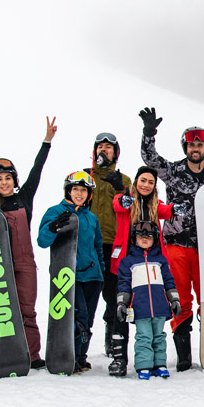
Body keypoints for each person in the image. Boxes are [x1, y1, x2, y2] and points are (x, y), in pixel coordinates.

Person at [139, 107, 204, 371]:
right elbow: (150, 159)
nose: (195, 148)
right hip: (177, 243)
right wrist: (148, 133)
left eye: (199, 144)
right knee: (181, 298)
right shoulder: (174, 171)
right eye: (191, 144)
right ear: (185, 148)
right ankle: (184, 356)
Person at [0, 116, 57, 370]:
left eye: (8, 178)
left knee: (26, 310)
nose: (4, 183)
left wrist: (47, 141)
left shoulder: (24, 198)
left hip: (25, 263)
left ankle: (32, 355)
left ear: (14, 180)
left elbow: (36, 170)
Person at [108, 166, 173, 376]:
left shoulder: (155, 203)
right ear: (136, 181)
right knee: (120, 308)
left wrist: (176, 208)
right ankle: (119, 359)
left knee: (148, 312)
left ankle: (153, 360)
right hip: (126, 262)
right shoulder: (127, 198)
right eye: (143, 180)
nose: (146, 185)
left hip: (149, 264)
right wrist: (124, 195)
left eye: (151, 182)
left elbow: (165, 210)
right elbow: (118, 205)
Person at [37, 172, 105, 373]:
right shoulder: (55, 211)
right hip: (68, 276)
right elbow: (42, 241)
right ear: (68, 190)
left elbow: (98, 246)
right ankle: (70, 357)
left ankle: (81, 357)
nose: (79, 193)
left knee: (88, 319)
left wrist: (101, 272)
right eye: (75, 189)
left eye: (84, 190)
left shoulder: (92, 218)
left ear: (89, 194)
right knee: (78, 317)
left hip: (92, 277)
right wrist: (52, 227)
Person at [83, 132, 132, 366]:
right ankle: (79, 339)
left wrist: (120, 186)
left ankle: (112, 337)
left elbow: (130, 206)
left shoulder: (124, 179)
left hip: (114, 244)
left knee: (113, 294)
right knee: (87, 292)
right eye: (100, 146)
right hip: (88, 245)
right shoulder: (85, 176)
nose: (104, 150)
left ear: (116, 153)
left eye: (108, 147)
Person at [116, 220, 181, 379]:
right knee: (144, 337)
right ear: (134, 238)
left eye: (149, 237)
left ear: (155, 238)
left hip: (159, 306)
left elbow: (169, 282)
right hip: (140, 307)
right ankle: (144, 365)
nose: (144, 239)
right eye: (140, 236)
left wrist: (174, 300)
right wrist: (122, 303)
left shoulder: (161, 261)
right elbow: (124, 284)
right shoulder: (128, 262)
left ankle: (160, 364)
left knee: (159, 336)